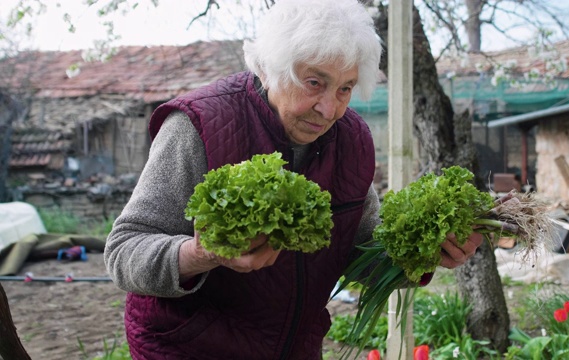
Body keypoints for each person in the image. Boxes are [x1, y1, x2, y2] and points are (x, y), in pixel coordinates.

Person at [104, 0, 483, 358]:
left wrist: (427, 251)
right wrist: (200, 255)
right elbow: (123, 252)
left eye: (345, 88)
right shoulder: (198, 126)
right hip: (189, 347)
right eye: (314, 83)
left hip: (294, 347)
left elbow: (361, 252)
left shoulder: (351, 141)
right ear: (270, 69)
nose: (329, 108)